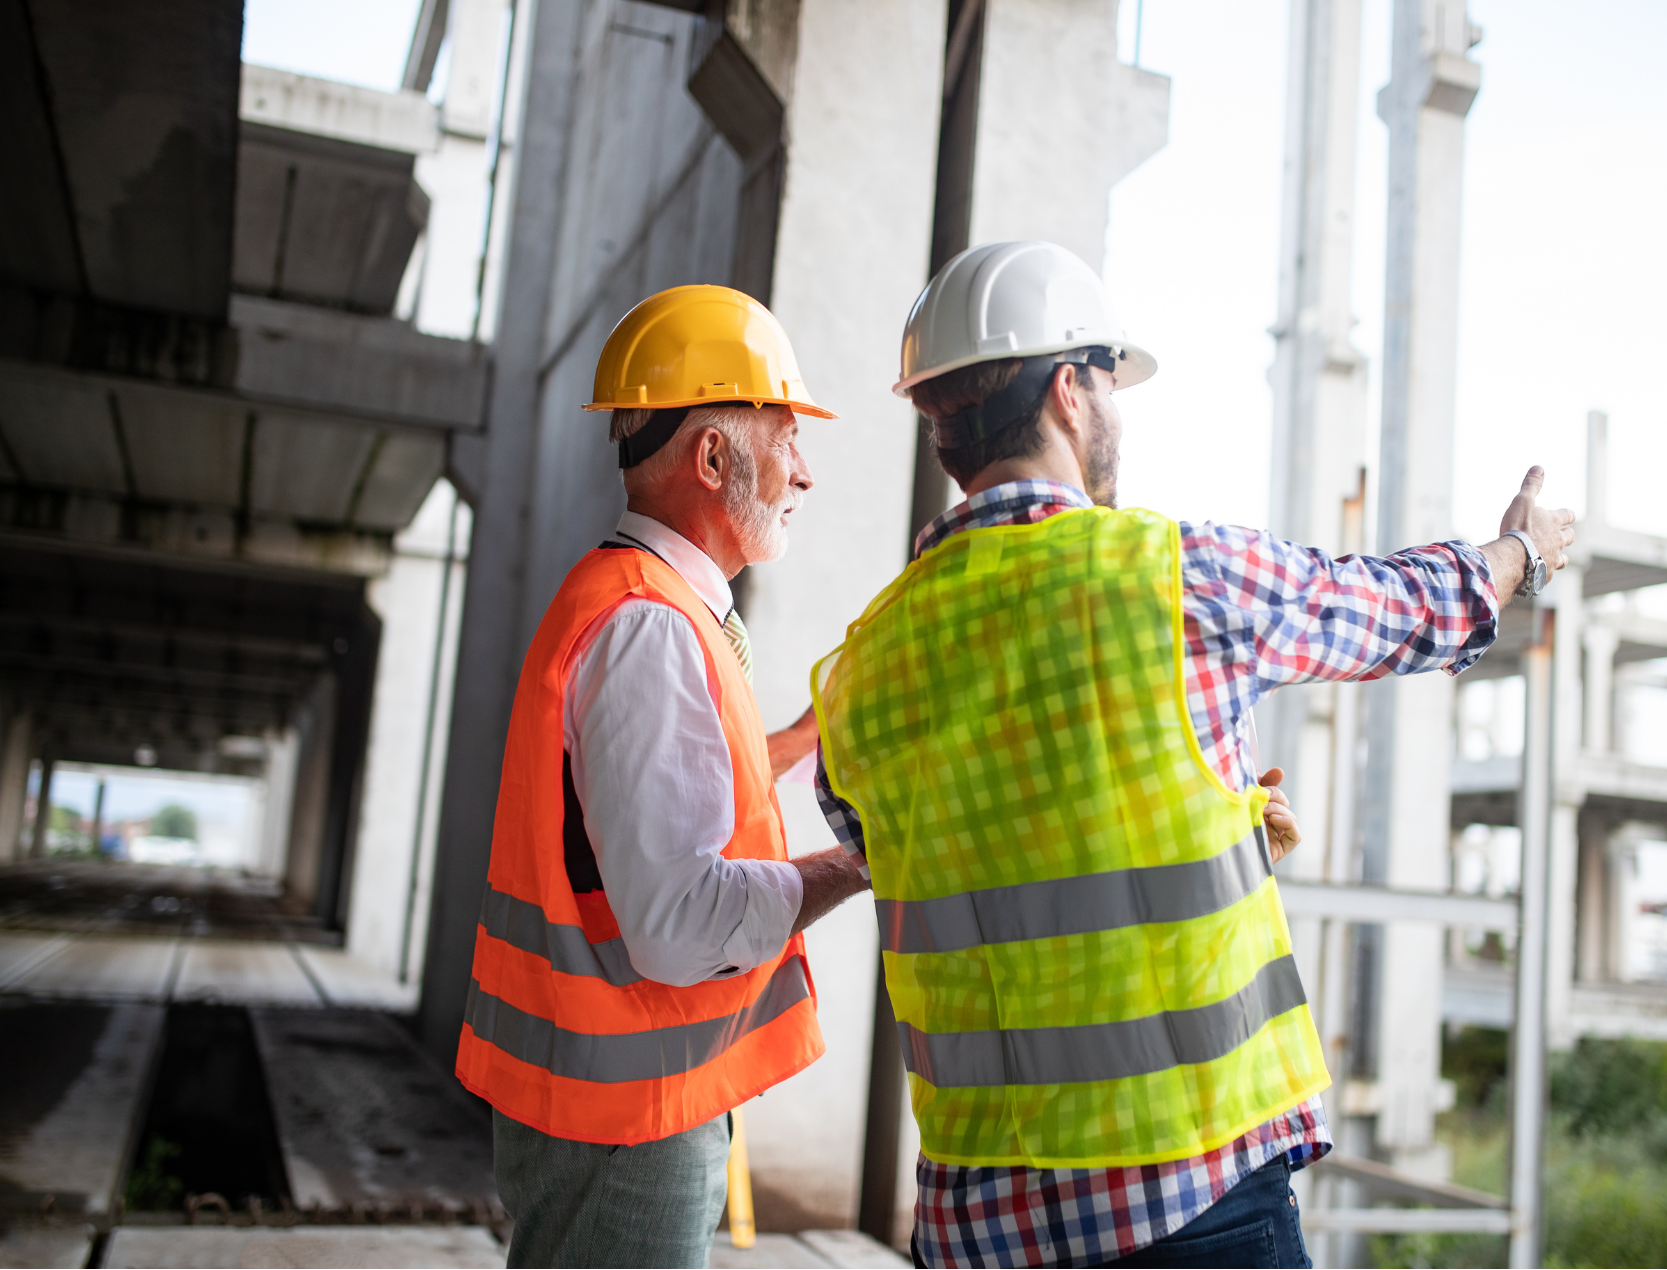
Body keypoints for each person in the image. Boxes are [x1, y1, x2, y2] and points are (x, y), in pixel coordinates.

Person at [810, 241, 1573, 1268]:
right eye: (1110, 383)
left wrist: (1209, 810)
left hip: (974, 1226)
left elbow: (929, 856)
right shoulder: (1175, 579)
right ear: (1069, 392)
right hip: (1188, 1203)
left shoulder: (861, 668)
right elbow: (1394, 607)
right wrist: (1517, 551)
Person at [457, 285, 869, 1267]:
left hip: (604, 1093)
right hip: (628, 1118)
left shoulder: (635, 597)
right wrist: (862, 864)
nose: (803, 474)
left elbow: (662, 797)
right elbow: (679, 919)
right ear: (714, 456)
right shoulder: (651, 627)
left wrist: (812, 733)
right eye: (785, 438)